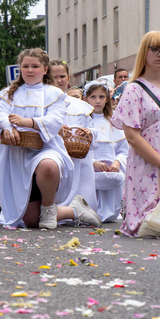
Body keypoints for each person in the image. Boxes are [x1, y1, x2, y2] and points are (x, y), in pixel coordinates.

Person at [0, 48, 100, 229]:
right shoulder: (9, 93)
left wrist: (27, 122)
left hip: (46, 148)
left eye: (35, 66)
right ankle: (74, 210)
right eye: (25, 66)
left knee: (48, 165)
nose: (30, 70)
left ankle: (49, 207)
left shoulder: (53, 93)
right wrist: (8, 127)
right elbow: (1, 113)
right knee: (32, 221)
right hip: (17, 155)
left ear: (45, 69)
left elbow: (55, 121)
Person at [111, 31, 160, 236]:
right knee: (149, 223)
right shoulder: (133, 89)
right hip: (147, 164)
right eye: (155, 49)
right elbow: (132, 136)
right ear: (144, 52)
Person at [50, 59, 98, 215]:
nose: (59, 80)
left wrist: (88, 132)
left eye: (62, 76)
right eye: (54, 77)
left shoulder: (78, 105)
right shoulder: (44, 103)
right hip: (55, 154)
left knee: (80, 187)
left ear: (69, 79)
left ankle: (80, 210)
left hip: (78, 156)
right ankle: (59, 211)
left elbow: (93, 129)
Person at [84, 81, 127, 223]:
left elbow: (124, 149)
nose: (98, 101)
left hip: (111, 171)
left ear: (107, 99)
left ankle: (111, 212)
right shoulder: (83, 121)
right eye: (93, 97)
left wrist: (117, 162)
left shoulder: (114, 121)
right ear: (86, 98)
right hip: (90, 170)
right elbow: (77, 150)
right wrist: (93, 162)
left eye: (102, 97)